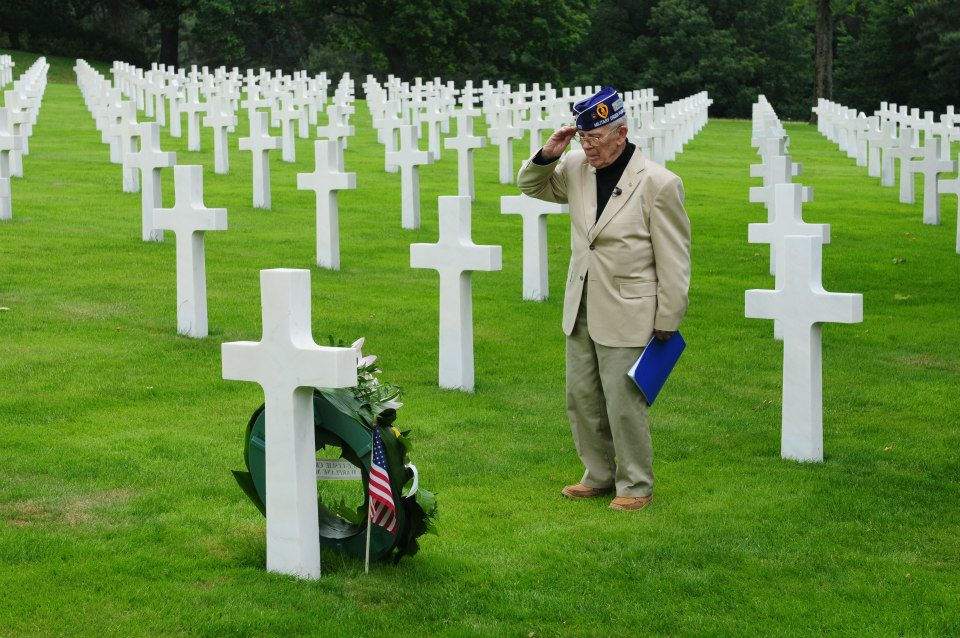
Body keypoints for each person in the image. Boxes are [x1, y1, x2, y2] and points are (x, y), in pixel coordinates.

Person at [517, 87, 690, 511]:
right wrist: (549, 152)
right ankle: (597, 473)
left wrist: (668, 315)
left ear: (622, 133)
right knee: (582, 396)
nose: (587, 147)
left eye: (595, 139)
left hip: (630, 307)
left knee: (623, 400)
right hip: (582, 303)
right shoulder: (576, 167)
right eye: (582, 138)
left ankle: (635, 485)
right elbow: (530, 186)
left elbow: (675, 256)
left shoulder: (658, 183)